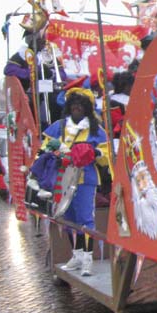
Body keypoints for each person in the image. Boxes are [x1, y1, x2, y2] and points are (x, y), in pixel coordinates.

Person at [42, 87, 109, 276]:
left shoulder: (97, 130)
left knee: (85, 220)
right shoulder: (59, 126)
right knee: (67, 218)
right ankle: (77, 255)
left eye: (81, 105)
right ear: (69, 107)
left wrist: (96, 153)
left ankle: (88, 259)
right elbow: (44, 148)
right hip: (61, 179)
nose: (76, 108)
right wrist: (55, 149)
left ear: (87, 108)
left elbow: (107, 157)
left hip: (85, 179)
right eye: (74, 105)